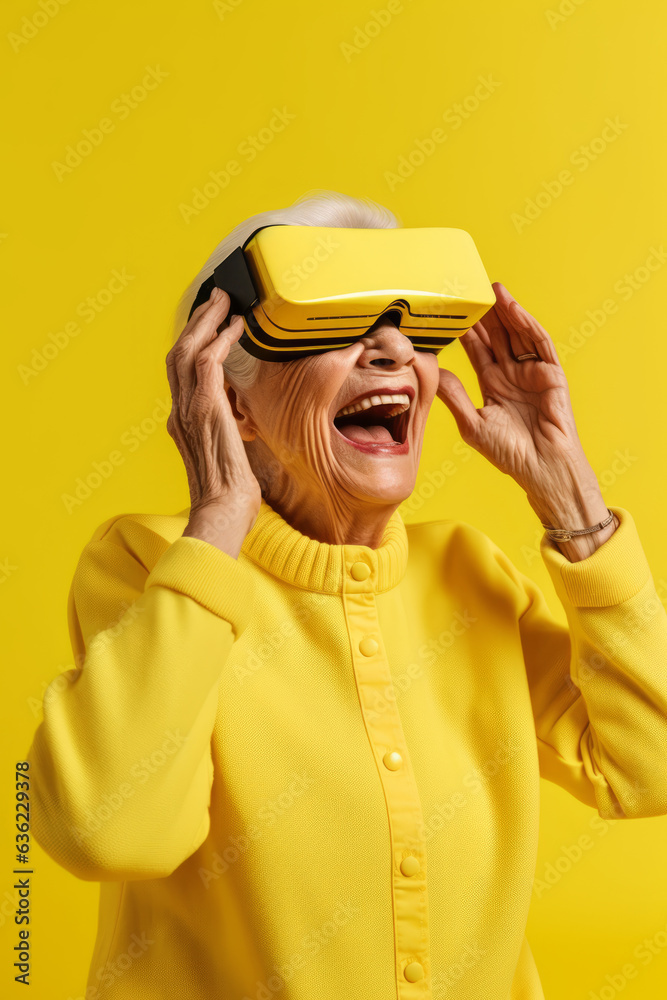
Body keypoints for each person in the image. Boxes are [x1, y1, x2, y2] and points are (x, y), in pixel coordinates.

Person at [26, 190, 667, 1000]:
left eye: (412, 329)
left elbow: (651, 770)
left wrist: (570, 498)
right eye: (334, 324)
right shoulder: (151, 566)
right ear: (231, 400)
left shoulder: (470, 572)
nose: (394, 350)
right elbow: (108, 833)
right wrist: (221, 517)